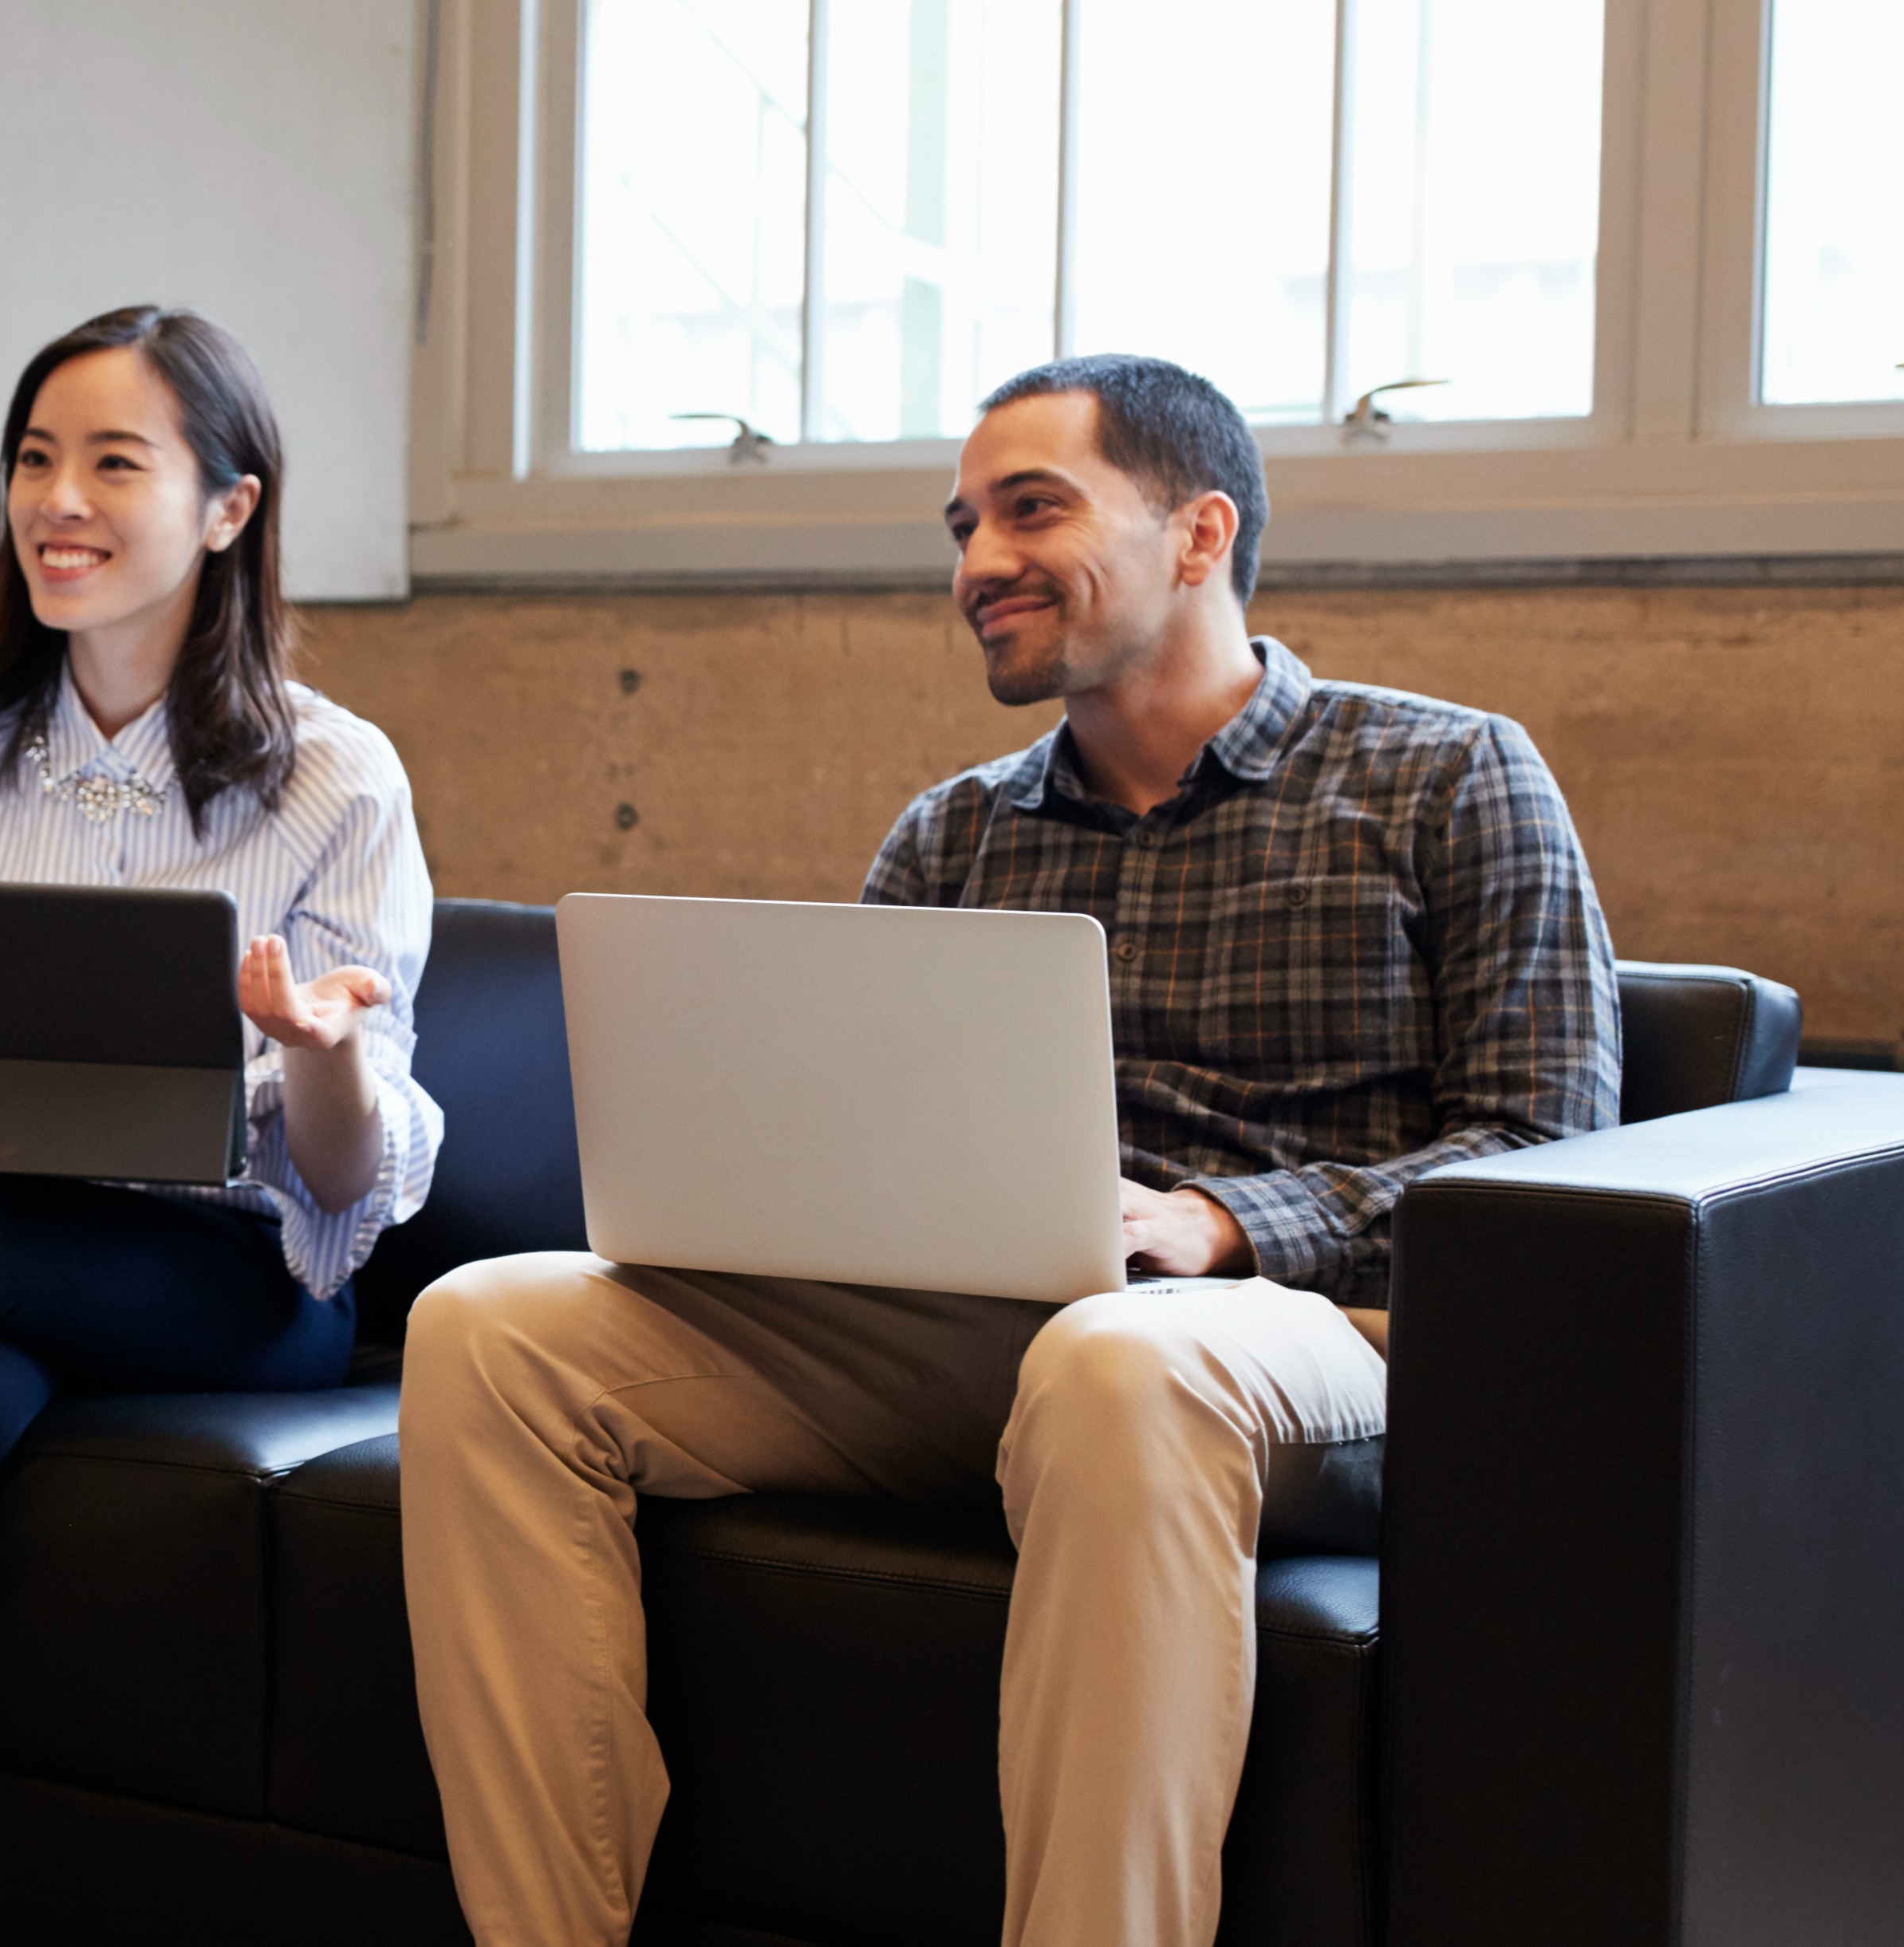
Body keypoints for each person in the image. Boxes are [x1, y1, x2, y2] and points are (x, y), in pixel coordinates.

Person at [398, 355, 1618, 1947]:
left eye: (1028, 510)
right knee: (490, 1328)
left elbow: (1542, 1154)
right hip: (1003, 1343)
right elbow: (848, 1144)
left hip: (1319, 1353)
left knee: (1119, 1366)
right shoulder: (952, 834)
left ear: (1198, 535)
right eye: (961, 525)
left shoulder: (1447, 777)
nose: (976, 563)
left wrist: (1217, 1224)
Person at [0, 306, 443, 1681]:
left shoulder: (337, 777)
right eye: (32, 458)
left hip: (244, 1283)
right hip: (5, 1260)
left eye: (115, 464)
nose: (56, 502)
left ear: (228, 508)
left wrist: (320, 1055)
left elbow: (346, 1183)